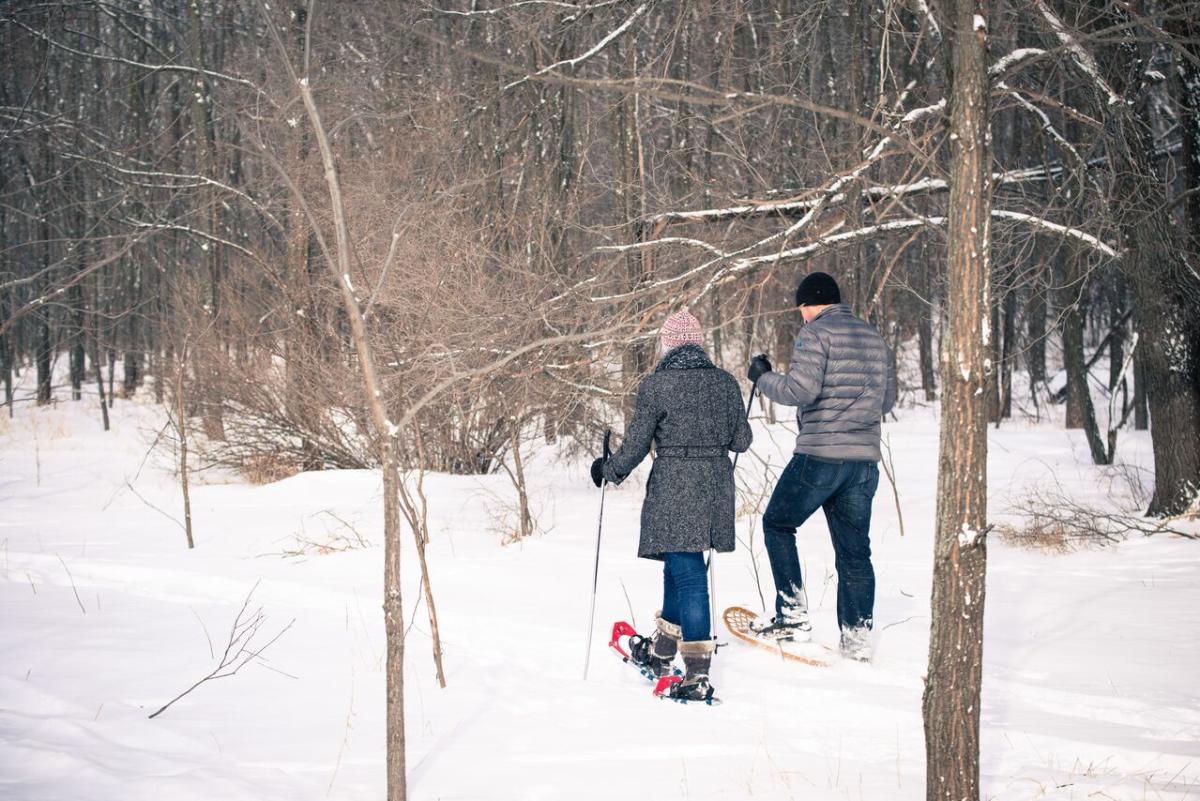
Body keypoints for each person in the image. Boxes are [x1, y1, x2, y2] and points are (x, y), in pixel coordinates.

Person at [591, 310, 752, 701]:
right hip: (714, 485)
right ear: (698, 343)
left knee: (690, 574)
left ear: (669, 345)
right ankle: (663, 651)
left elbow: (636, 444)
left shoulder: (657, 386)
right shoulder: (725, 383)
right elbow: (741, 441)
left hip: (675, 485)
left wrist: (608, 470)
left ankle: (696, 673)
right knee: (679, 567)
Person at [745, 272, 896, 661]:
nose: (801, 316)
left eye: (802, 309)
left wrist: (763, 377)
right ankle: (857, 641)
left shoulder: (816, 334)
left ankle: (792, 616)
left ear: (812, 304)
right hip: (863, 461)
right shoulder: (873, 337)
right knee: (854, 553)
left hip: (821, 454)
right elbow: (887, 400)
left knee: (777, 523)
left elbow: (800, 391)